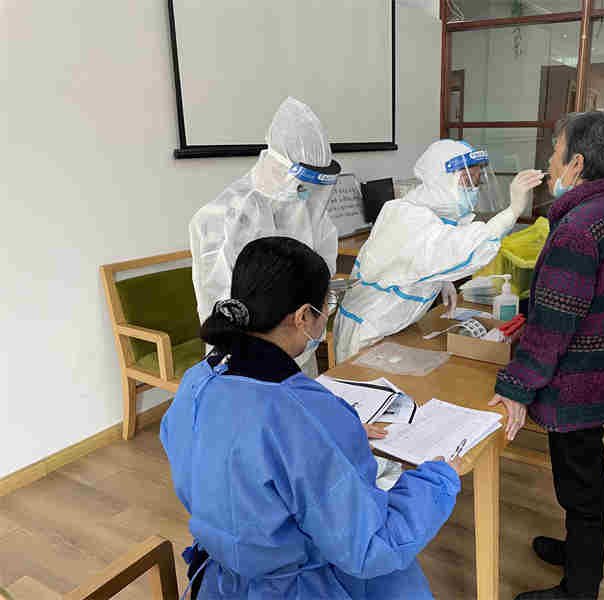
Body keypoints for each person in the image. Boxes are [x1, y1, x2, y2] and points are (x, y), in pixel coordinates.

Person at [161, 236, 462, 600]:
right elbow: (370, 546)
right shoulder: (299, 414)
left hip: (222, 580)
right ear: (304, 316)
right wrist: (438, 478)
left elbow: (237, 456)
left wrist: (330, 436)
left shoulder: (197, 381)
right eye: (326, 307)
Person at [490, 111, 604, 600]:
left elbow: (553, 329)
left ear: (576, 163)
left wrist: (514, 387)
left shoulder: (578, 227)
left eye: (555, 152)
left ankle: (579, 589)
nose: (549, 162)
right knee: (585, 475)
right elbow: (572, 300)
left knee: (581, 482)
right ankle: (579, 550)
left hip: (581, 381)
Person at [333, 139, 543, 363]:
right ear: (441, 179)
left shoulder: (433, 213)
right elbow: (459, 246)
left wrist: (441, 279)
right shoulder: (407, 215)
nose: (473, 189)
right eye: (467, 181)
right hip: (369, 330)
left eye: (476, 181)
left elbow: (421, 258)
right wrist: (512, 211)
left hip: (394, 326)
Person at [190, 97, 340, 377]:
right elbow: (222, 304)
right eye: (303, 182)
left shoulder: (308, 210)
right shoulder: (222, 219)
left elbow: (322, 273)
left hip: (300, 348)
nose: (307, 193)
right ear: (281, 167)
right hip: (246, 362)